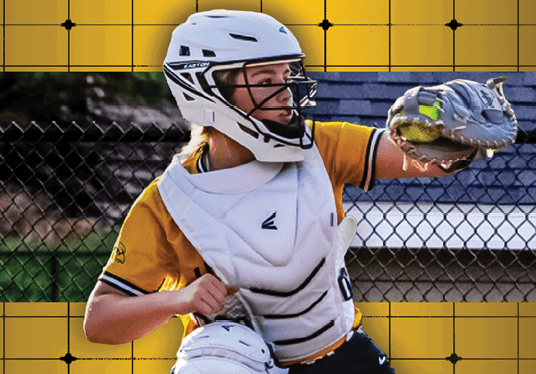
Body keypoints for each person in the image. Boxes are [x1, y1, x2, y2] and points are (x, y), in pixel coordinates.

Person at [83, 10, 480, 374]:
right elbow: (101, 321)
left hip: (339, 355)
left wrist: (453, 134)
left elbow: (420, 160)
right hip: (242, 362)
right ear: (208, 92)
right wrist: (181, 300)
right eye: (265, 81)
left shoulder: (321, 147)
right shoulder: (168, 202)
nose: (286, 93)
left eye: (286, 77)